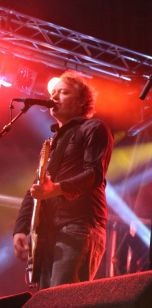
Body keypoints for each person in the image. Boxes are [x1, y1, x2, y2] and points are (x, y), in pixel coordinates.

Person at [12, 71, 114, 289]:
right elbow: (36, 188)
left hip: (79, 224)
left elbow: (94, 174)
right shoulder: (52, 142)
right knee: (47, 298)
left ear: (81, 103)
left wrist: (56, 189)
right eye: (53, 92)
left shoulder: (94, 128)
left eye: (63, 92)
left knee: (63, 296)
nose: (54, 97)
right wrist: (21, 228)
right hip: (48, 231)